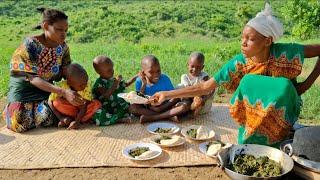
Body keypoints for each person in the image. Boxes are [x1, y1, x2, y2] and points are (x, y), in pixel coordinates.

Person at [150, 3, 320, 147]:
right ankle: (257, 137)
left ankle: (279, 133)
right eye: (242, 38)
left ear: (267, 41)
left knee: (274, 84)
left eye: (250, 39)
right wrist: (167, 94)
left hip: (286, 111)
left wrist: (307, 84)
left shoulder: (286, 52)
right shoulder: (239, 63)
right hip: (253, 121)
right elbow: (204, 87)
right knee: (248, 82)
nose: (243, 43)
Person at [2, 8, 86, 132]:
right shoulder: (30, 45)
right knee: (20, 120)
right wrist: (63, 92)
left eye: (66, 30)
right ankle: (12, 110)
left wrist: (81, 85)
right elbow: (33, 78)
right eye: (59, 29)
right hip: (23, 93)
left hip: (46, 94)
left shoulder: (63, 48)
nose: (64, 34)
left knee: (68, 108)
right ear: (46, 26)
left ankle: (46, 113)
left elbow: (67, 72)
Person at [129, 55, 188, 123]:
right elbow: (138, 100)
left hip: (165, 106)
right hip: (149, 108)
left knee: (183, 106)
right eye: (151, 72)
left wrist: (160, 108)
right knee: (132, 108)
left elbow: (173, 96)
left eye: (158, 71)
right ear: (143, 72)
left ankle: (153, 118)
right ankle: (167, 116)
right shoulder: (140, 81)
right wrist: (144, 84)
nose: (156, 74)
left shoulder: (165, 78)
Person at [48, 63, 101, 129]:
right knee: (56, 102)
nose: (84, 86)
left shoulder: (86, 86)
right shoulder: (62, 86)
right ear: (69, 83)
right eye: (81, 85)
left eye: (86, 82)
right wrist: (61, 118)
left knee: (96, 104)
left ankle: (76, 119)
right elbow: (50, 102)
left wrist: (77, 121)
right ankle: (70, 118)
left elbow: (84, 106)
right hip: (70, 109)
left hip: (82, 110)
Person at [92, 55, 137, 126]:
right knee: (97, 114)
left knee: (128, 106)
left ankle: (118, 116)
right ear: (99, 72)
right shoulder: (99, 84)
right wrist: (116, 83)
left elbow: (126, 84)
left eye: (112, 68)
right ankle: (119, 120)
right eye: (109, 70)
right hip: (105, 109)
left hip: (116, 106)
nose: (112, 71)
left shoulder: (113, 79)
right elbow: (106, 95)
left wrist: (137, 76)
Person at [176, 52, 215, 116]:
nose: (194, 69)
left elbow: (206, 86)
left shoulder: (203, 75)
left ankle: (192, 113)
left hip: (200, 98)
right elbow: (189, 90)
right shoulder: (185, 77)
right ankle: (187, 109)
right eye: (192, 66)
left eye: (198, 67)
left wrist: (202, 99)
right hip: (188, 97)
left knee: (208, 91)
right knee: (180, 89)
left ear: (202, 67)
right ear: (188, 65)